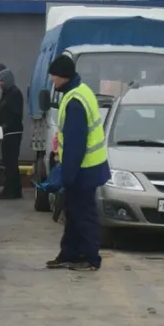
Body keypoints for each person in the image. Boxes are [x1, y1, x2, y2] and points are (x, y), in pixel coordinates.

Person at [35, 54, 110, 271]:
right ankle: (70, 254)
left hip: (83, 170)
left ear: (63, 76)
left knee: (84, 215)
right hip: (85, 167)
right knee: (73, 212)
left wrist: (66, 176)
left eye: (53, 76)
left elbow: (77, 143)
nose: (51, 80)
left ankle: (90, 258)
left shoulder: (75, 101)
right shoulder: (80, 92)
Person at [0, 65, 25, 200]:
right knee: (10, 162)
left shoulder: (14, 94)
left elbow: (15, 114)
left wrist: (5, 126)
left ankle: (9, 190)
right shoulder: (7, 93)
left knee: (10, 162)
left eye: (2, 81)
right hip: (7, 132)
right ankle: (15, 189)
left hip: (12, 133)